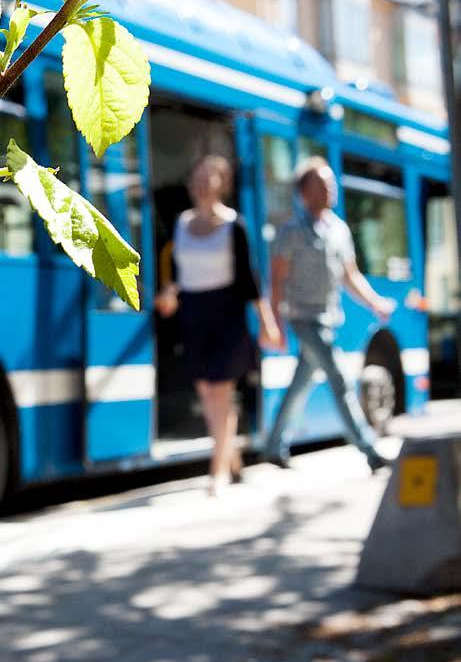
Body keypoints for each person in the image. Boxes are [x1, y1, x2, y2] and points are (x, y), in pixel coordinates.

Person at [155, 155, 281, 495]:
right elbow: (179, 274)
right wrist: (170, 293)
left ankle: (217, 470)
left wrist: (267, 322)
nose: (202, 184)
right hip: (193, 311)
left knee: (219, 391)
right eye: (197, 177)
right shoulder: (181, 223)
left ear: (222, 184)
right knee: (205, 389)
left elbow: (249, 279)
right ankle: (231, 453)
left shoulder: (234, 226)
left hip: (227, 311)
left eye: (210, 178)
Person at [265, 156, 396, 473]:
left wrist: (374, 302)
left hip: (328, 318)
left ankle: (272, 446)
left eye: (331, 183)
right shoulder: (291, 231)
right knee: (339, 379)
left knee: (300, 384)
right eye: (323, 184)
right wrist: (277, 324)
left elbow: (350, 275)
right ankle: (369, 449)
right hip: (304, 320)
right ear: (304, 192)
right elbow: (277, 279)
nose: (331, 188)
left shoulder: (339, 229)